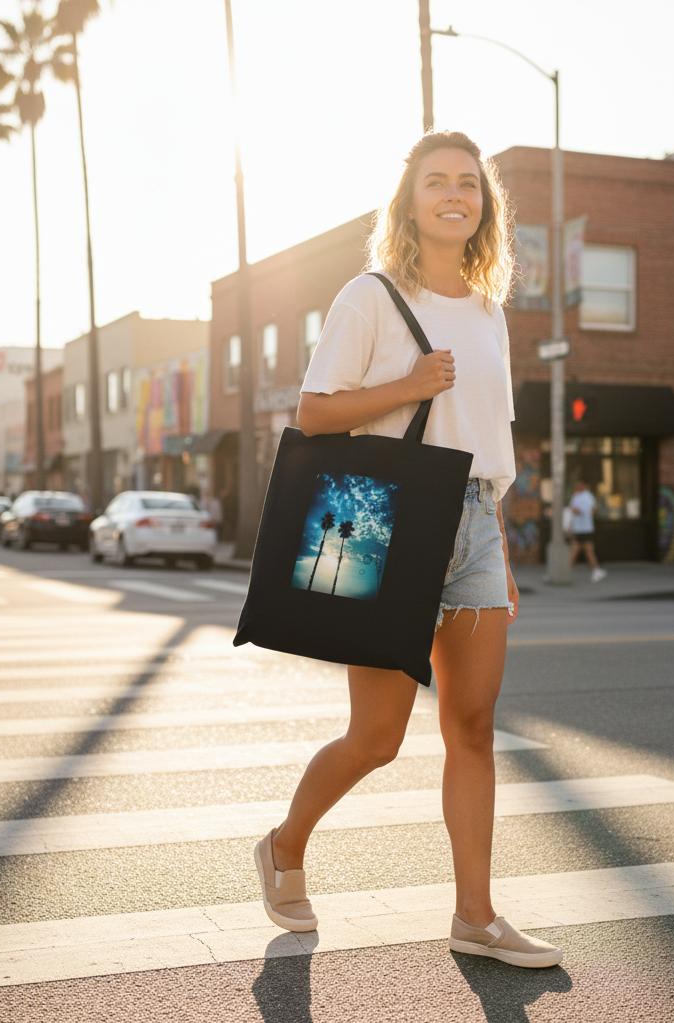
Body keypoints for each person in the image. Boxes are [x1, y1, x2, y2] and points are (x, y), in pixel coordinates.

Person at [252, 132, 561, 969]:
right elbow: (314, 414)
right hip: (390, 525)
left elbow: (489, 440)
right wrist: (409, 386)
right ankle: (284, 845)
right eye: (437, 182)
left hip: (473, 528)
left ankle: (476, 915)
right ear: (411, 202)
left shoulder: (491, 310)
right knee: (378, 737)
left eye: (469, 182)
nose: (455, 193)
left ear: (483, 204)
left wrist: (496, 547)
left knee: (473, 726)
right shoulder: (370, 295)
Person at [567, 479, 606, 582]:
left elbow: (577, 510)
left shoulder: (582, 497)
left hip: (583, 529)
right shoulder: (584, 496)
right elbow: (593, 510)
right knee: (581, 551)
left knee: (582, 551)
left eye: (578, 485)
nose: (576, 487)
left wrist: (578, 512)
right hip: (583, 528)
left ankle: (564, 572)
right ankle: (596, 570)